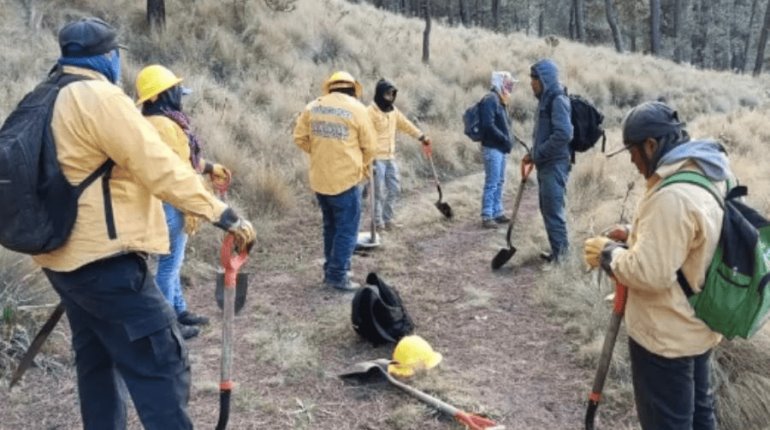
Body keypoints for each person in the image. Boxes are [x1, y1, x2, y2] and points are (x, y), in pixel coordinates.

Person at [33, 17, 255, 429]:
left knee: (97, 364)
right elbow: (160, 167)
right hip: (103, 262)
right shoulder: (101, 98)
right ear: (110, 57)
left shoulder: (45, 95)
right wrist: (223, 215)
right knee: (162, 359)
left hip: (59, 258)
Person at [583, 101, 726, 430]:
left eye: (633, 152)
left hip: (666, 336)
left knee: (668, 422)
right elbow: (691, 240)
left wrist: (609, 254)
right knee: (700, 416)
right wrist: (635, 235)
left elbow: (651, 273)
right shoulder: (702, 173)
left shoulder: (671, 196)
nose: (633, 162)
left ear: (651, 144)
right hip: (697, 327)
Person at [135, 64, 230, 340]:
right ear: (161, 95)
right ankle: (168, 326)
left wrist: (210, 168)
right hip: (170, 202)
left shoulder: (156, 121)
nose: (179, 94)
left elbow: (185, 161)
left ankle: (178, 310)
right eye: (175, 90)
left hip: (161, 200)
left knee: (173, 262)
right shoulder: (166, 125)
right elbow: (180, 170)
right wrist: (200, 202)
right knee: (168, 266)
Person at [293, 71, 375, 291]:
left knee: (330, 226)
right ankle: (338, 276)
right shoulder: (358, 109)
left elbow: (299, 138)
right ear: (353, 89)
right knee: (347, 229)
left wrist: (320, 152)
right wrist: (364, 167)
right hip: (346, 180)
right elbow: (370, 146)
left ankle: (332, 269)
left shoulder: (313, 107)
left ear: (330, 87)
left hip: (320, 179)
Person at [522, 59, 573, 262]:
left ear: (545, 79)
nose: (532, 83)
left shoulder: (557, 99)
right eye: (532, 78)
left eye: (535, 78)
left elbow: (563, 134)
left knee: (553, 211)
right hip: (546, 163)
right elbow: (545, 133)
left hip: (555, 164)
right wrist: (532, 154)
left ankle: (563, 260)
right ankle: (558, 252)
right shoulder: (545, 99)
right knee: (547, 209)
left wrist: (538, 153)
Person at [367, 78, 432, 230]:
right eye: (387, 94)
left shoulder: (393, 111)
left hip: (390, 157)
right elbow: (362, 134)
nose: (390, 97)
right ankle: (378, 223)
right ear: (380, 94)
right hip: (376, 158)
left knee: (395, 188)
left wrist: (421, 136)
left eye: (392, 94)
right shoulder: (369, 112)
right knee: (378, 192)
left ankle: (388, 218)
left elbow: (406, 124)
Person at [478, 71, 516, 229]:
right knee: (492, 182)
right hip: (492, 147)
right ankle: (487, 215)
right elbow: (488, 125)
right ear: (499, 82)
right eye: (507, 83)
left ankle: (497, 212)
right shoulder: (491, 99)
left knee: (499, 181)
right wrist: (504, 138)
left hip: (499, 147)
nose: (510, 87)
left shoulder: (501, 100)